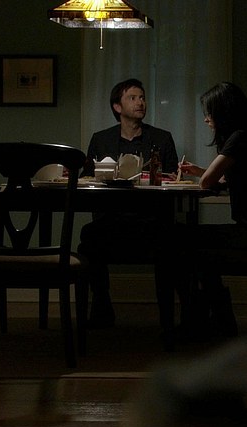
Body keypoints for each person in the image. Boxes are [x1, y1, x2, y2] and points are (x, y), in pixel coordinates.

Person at [155, 82, 247, 342]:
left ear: (225, 112)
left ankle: (198, 320)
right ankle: (215, 319)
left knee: (175, 241)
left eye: (210, 113)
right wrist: (199, 170)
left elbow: (207, 183)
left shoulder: (240, 137)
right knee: (187, 240)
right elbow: (226, 179)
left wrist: (203, 175)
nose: (206, 119)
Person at [79, 78, 180, 328]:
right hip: (110, 220)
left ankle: (168, 318)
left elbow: (173, 179)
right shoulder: (101, 139)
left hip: (151, 221)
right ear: (117, 106)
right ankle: (101, 305)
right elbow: (87, 177)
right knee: (88, 237)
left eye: (142, 97)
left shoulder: (161, 138)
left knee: (171, 239)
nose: (140, 102)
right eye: (133, 98)